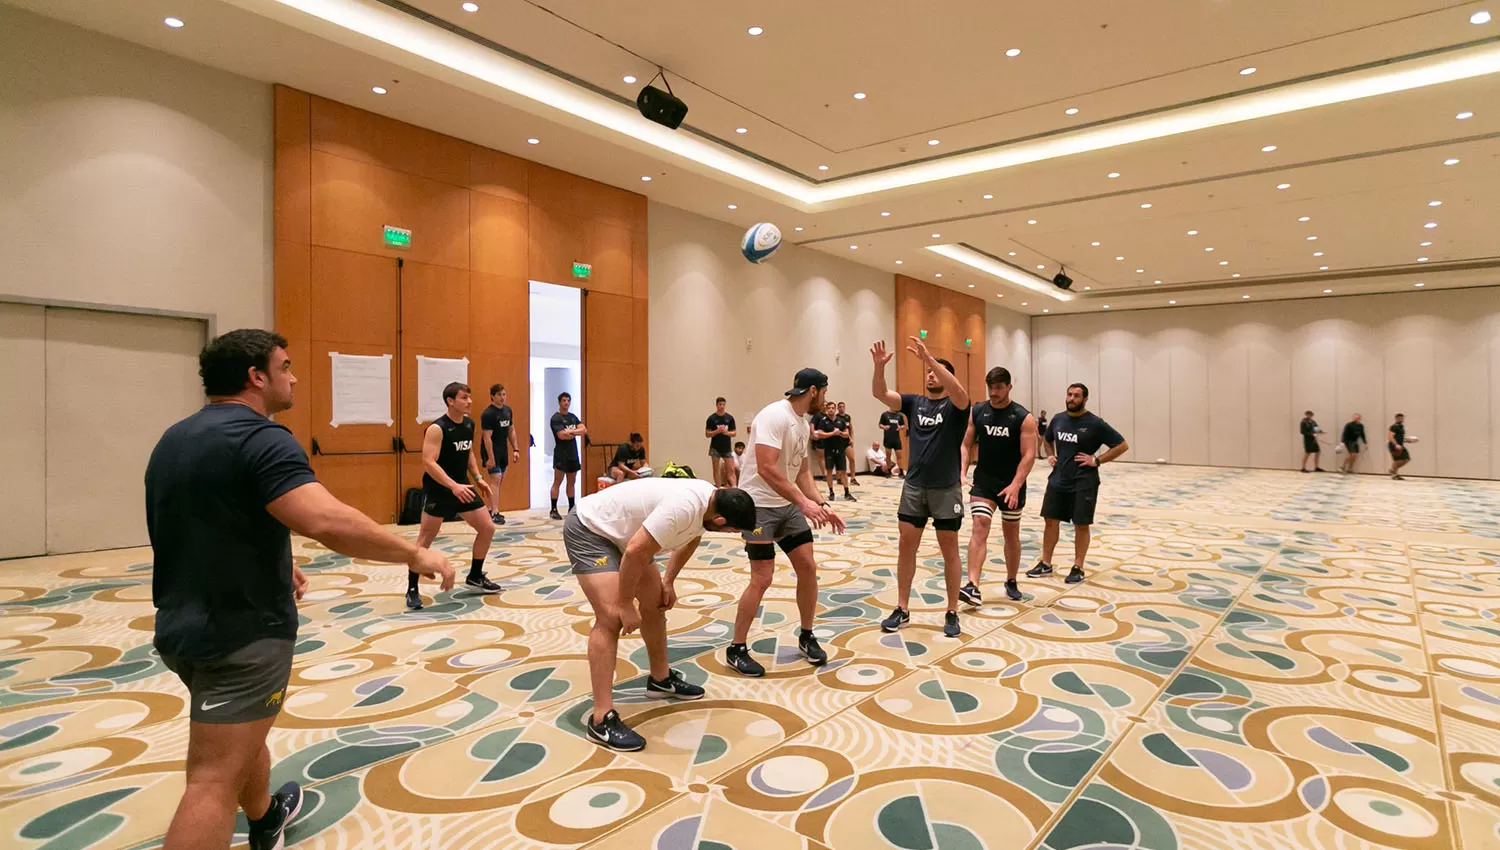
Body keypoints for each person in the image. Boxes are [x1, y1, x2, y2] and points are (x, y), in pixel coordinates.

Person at [146, 329, 453, 850]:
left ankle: (265, 818)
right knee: (212, 780)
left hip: (181, 627)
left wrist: (276, 560)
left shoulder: (176, 438)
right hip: (242, 634)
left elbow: (208, 517)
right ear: (256, 377)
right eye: (285, 366)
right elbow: (327, 521)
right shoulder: (263, 438)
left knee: (240, 735)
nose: (293, 377)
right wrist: (413, 553)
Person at [567, 478, 757, 751]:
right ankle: (601, 719)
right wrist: (624, 604)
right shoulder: (685, 506)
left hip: (625, 535)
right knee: (610, 618)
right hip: (591, 529)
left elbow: (690, 539)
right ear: (719, 519)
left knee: (655, 603)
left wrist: (668, 581)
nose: (730, 534)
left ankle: (660, 679)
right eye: (731, 530)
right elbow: (634, 552)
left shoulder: (708, 503)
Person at [727, 368, 846, 677]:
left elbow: (802, 472)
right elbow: (766, 468)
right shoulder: (774, 415)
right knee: (762, 577)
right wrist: (802, 502)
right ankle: (736, 648)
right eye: (825, 392)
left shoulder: (803, 424)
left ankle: (806, 635)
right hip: (759, 508)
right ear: (813, 390)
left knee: (808, 567)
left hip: (788, 506)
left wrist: (821, 503)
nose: (826, 398)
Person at [872, 338, 971, 638]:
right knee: (906, 547)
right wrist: (878, 368)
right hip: (914, 486)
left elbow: (961, 393)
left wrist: (931, 359)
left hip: (945, 488)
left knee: (949, 550)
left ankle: (952, 610)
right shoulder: (915, 402)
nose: (930, 374)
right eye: (927, 370)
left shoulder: (957, 407)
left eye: (936, 371)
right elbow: (880, 393)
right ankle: (902, 607)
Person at [409, 382, 499, 610]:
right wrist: (452, 486)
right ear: (450, 401)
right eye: (464, 398)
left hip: (463, 487)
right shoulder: (437, 429)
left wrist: (478, 478)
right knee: (425, 540)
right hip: (439, 489)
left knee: (487, 528)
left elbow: (468, 451)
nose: (469, 401)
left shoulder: (469, 424)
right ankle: (412, 589)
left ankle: (475, 576)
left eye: (470, 397)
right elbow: (428, 462)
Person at [1029, 383, 1129, 585]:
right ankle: (1046, 562)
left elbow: (1121, 445)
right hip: (1058, 479)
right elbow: (1047, 440)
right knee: (1050, 520)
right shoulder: (1058, 419)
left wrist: (1098, 460)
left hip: (1084, 481)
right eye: (1069, 394)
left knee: (1081, 524)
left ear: (1084, 399)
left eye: (1076, 396)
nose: (1071, 399)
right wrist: (1050, 455)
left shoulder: (1094, 423)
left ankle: (1078, 566)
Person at [960, 367, 1037, 604]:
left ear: (1009, 387)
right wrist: (962, 472)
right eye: (990, 388)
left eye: (998, 388)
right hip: (984, 481)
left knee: (1011, 534)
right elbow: (965, 444)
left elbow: (1029, 455)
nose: (993, 393)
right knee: (980, 525)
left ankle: (1011, 579)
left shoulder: (1023, 417)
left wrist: (1016, 484)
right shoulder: (978, 411)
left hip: (1011, 483)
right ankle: (973, 584)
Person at [480, 384, 519, 525]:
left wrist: (516, 449)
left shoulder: (508, 411)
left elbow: (511, 430)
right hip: (491, 450)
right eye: (499, 395)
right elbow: (486, 437)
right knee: (495, 479)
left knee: (499, 480)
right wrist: (490, 457)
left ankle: (490, 508)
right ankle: (495, 512)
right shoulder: (488, 414)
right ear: (492, 396)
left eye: (504, 394)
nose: (502, 397)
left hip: (503, 450)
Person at [550, 392, 586, 520]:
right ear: (559, 402)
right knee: (558, 481)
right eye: (564, 400)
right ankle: (553, 509)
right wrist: (573, 432)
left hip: (573, 454)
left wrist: (571, 431)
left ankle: (571, 507)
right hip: (561, 454)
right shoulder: (556, 418)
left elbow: (583, 430)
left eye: (568, 400)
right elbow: (561, 435)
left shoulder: (572, 417)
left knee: (572, 482)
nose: (566, 403)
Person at [815, 400, 855, 502]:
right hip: (828, 449)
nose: (831, 410)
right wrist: (832, 433)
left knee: (843, 471)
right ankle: (831, 492)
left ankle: (847, 492)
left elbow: (846, 433)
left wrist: (840, 433)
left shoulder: (840, 420)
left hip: (840, 449)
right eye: (829, 408)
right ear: (826, 409)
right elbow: (820, 433)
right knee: (829, 471)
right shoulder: (823, 421)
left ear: (835, 409)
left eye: (833, 408)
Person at [705, 397, 737, 487]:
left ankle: (734, 486)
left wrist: (726, 432)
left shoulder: (729, 418)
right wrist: (717, 431)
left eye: (723, 404)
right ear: (716, 405)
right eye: (720, 404)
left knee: (731, 468)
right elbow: (707, 434)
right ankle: (718, 487)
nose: (722, 406)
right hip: (715, 447)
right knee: (716, 468)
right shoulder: (711, 418)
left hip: (726, 447)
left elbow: (734, 433)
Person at [836, 401, 860, 486]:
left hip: (847, 442)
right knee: (840, 460)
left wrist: (852, 439)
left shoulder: (847, 417)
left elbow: (851, 428)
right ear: (838, 408)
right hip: (839, 442)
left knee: (852, 459)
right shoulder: (836, 418)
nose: (842, 408)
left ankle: (853, 478)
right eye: (840, 407)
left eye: (843, 406)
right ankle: (839, 477)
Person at [879, 408, 906, 477]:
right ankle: (888, 471)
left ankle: (901, 472)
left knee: (899, 456)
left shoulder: (899, 415)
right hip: (888, 439)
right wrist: (884, 427)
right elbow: (880, 424)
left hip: (896, 439)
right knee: (888, 455)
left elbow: (903, 425)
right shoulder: (885, 414)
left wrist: (901, 427)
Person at [1388, 413, 1415, 480]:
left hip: (1400, 445)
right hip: (1394, 445)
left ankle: (1393, 471)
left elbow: (1400, 438)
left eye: (1402, 418)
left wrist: (1408, 440)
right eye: (1399, 418)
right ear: (1396, 419)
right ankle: (1393, 473)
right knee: (1399, 460)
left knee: (1406, 459)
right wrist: (1396, 444)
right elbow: (1390, 437)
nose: (1401, 419)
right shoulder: (1394, 426)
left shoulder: (1401, 427)